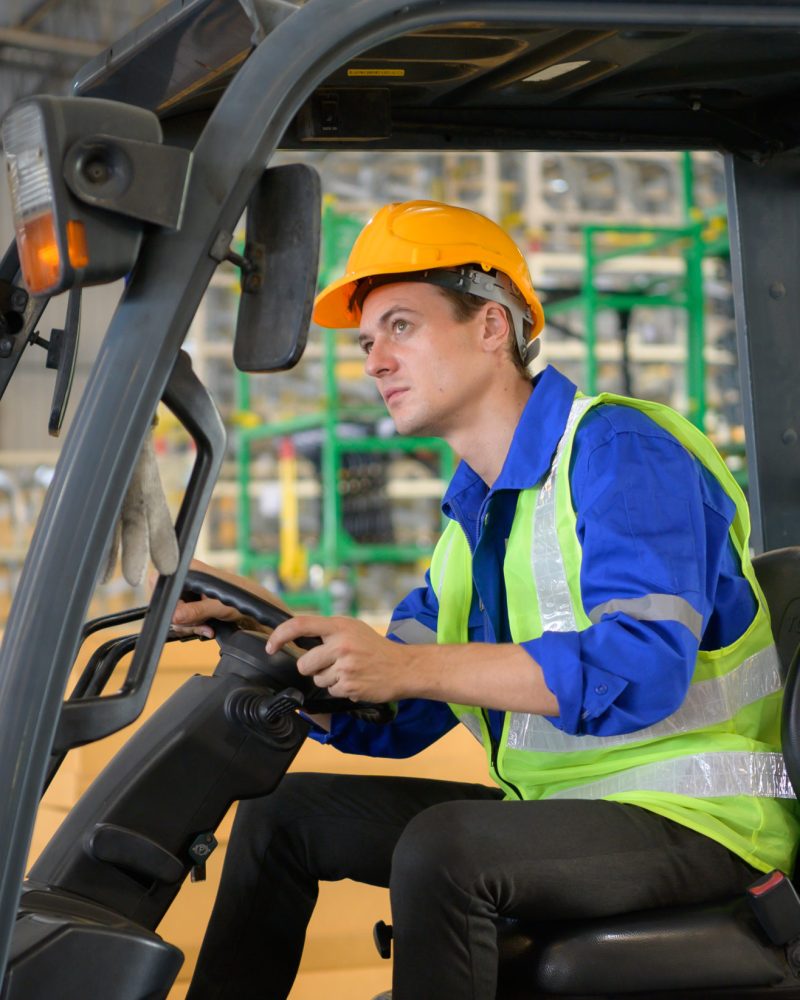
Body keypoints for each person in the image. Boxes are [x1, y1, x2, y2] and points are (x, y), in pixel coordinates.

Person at [180, 200, 799, 1000]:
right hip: (567, 812)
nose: (375, 360)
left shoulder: (620, 450)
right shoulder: (474, 515)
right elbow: (399, 713)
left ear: (491, 325)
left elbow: (642, 668)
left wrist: (412, 667)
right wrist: (270, 632)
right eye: (368, 341)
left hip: (702, 821)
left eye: (401, 325)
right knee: (284, 817)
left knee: (448, 848)